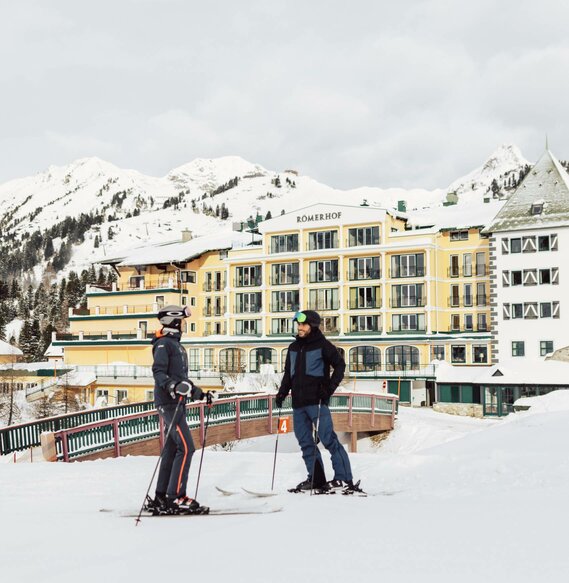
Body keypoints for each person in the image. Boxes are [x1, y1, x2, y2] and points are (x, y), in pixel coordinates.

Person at [276, 310, 361, 494]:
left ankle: (344, 478)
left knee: (329, 439)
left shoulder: (323, 346)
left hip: (317, 402)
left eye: (303, 325)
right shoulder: (293, 348)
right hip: (298, 404)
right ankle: (316, 479)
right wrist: (282, 392)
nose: (299, 328)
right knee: (305, 442)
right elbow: (288, 374)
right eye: (298, 325)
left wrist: (329, 389)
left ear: (312, 326)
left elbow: (340, 365)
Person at [147, 305, 209, 514]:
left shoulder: (176, 346)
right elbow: (158, 372)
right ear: (173, 322)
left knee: (173, 449)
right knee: (187, 448)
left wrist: (200, 394)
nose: (183, 325)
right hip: (168, 403)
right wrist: (171, 386)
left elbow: (183, 381)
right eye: (181, 321)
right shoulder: (164, 344)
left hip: (177, 403)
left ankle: (162, 496)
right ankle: (176, 497)